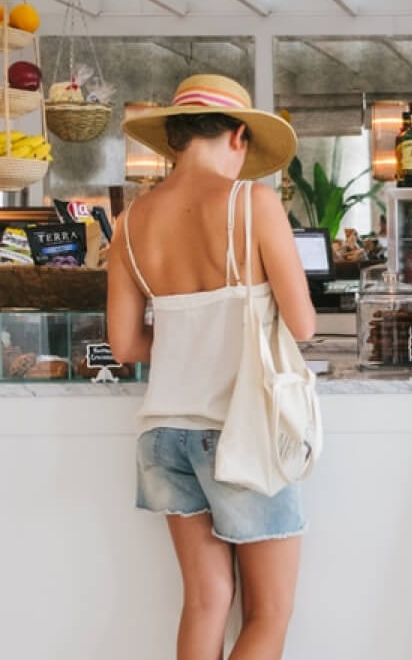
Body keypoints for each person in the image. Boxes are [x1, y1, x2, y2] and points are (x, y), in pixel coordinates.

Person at [107, 74, 315, 660]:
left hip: (163, 436)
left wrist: (184, 338)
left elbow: (124, 345)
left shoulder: (131, 224)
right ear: (240, 136)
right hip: (239, 431)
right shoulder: (254, 203)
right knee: (269, 612)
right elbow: (302, 325)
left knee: (206, 599)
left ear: (173, 140)